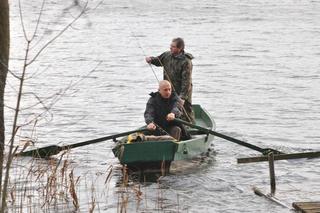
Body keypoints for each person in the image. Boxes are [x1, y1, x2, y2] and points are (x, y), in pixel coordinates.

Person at [145, 37, 194, 123]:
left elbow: (187, 82)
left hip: (183, 90)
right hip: (169, 89)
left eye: (173, 46)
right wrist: (151, 59)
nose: (170, 48)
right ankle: (170, 125)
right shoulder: (167, 55)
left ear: (180, 48)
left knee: (185, 110)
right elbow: (158, 61)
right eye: (171, 46)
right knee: (169, 108)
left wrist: (182, 97)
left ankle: (190, 126)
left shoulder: (186, 61)